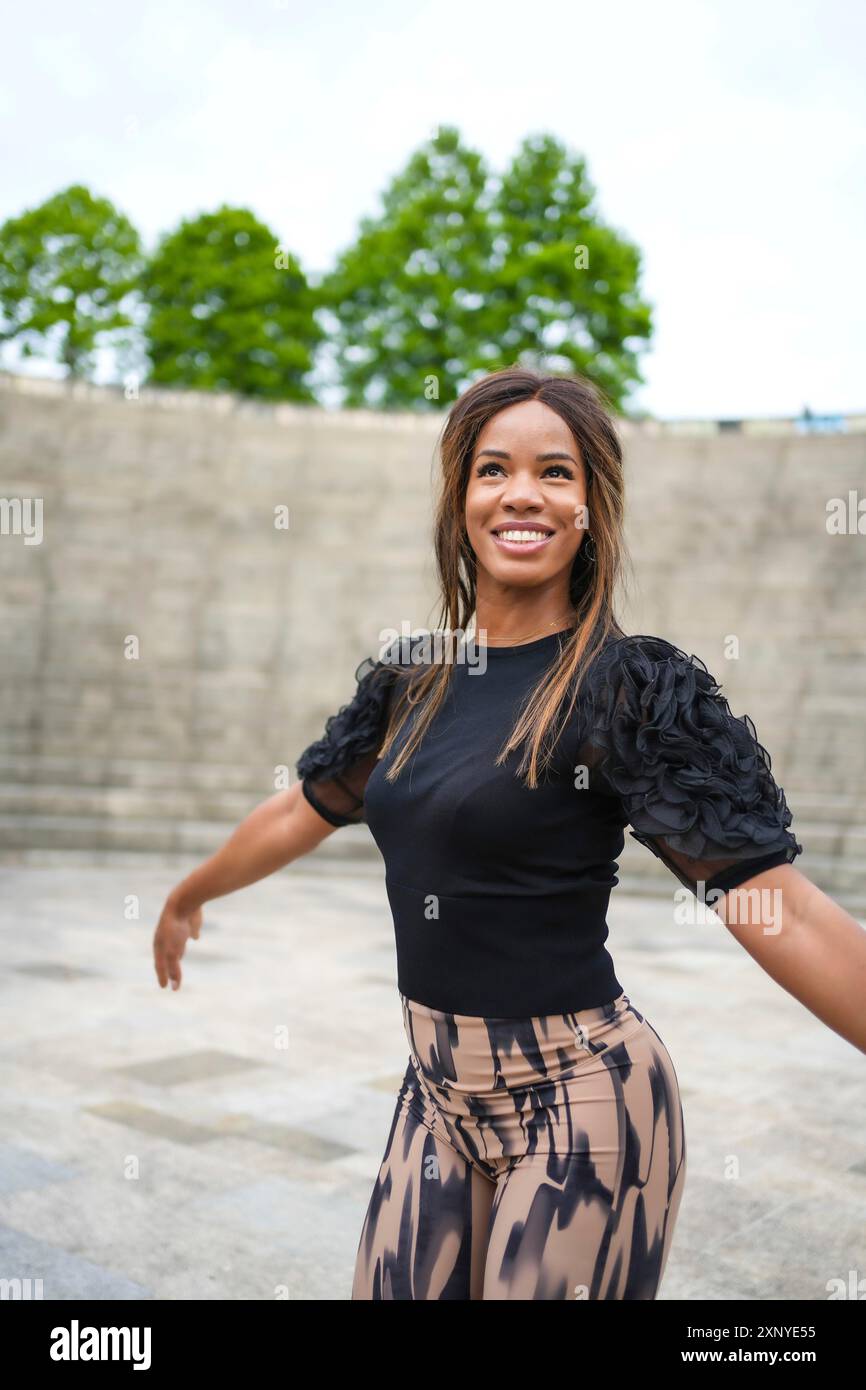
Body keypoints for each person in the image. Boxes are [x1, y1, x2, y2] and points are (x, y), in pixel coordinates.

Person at [153, 367, 866, 1301]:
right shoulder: (415, 679)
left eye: (555, 473)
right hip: (436, 1097)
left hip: (585, 1100)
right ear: (460, 502)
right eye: (493, 469)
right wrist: (188, 893)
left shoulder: (622, 689)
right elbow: (303, 807)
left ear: (590, 510)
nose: (521, 492)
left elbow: (780, 906)